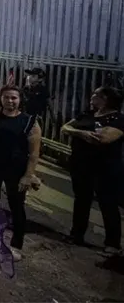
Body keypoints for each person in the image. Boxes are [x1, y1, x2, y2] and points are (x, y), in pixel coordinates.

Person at [0, 86, 42, 261]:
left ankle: (16, 245)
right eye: (6, 97)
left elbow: (34, 153)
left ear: (20, 100)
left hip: (16, 169)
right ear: (1, 99)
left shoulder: (30, 121)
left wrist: (28, 175)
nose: (10, 101)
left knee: (16, 206)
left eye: (14, 98)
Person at [60, 86, 123, 256]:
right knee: (81, 200)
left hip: (106, 168)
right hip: (81, 165)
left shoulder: (117, 119)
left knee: (107, 204)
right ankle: (77, 234)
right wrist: (83, 134)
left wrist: (79, 133)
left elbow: (104, 138)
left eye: (97, 95)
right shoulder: (87, 114)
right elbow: (65, 128)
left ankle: (112, 244)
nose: (92, 96)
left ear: (107, 99)